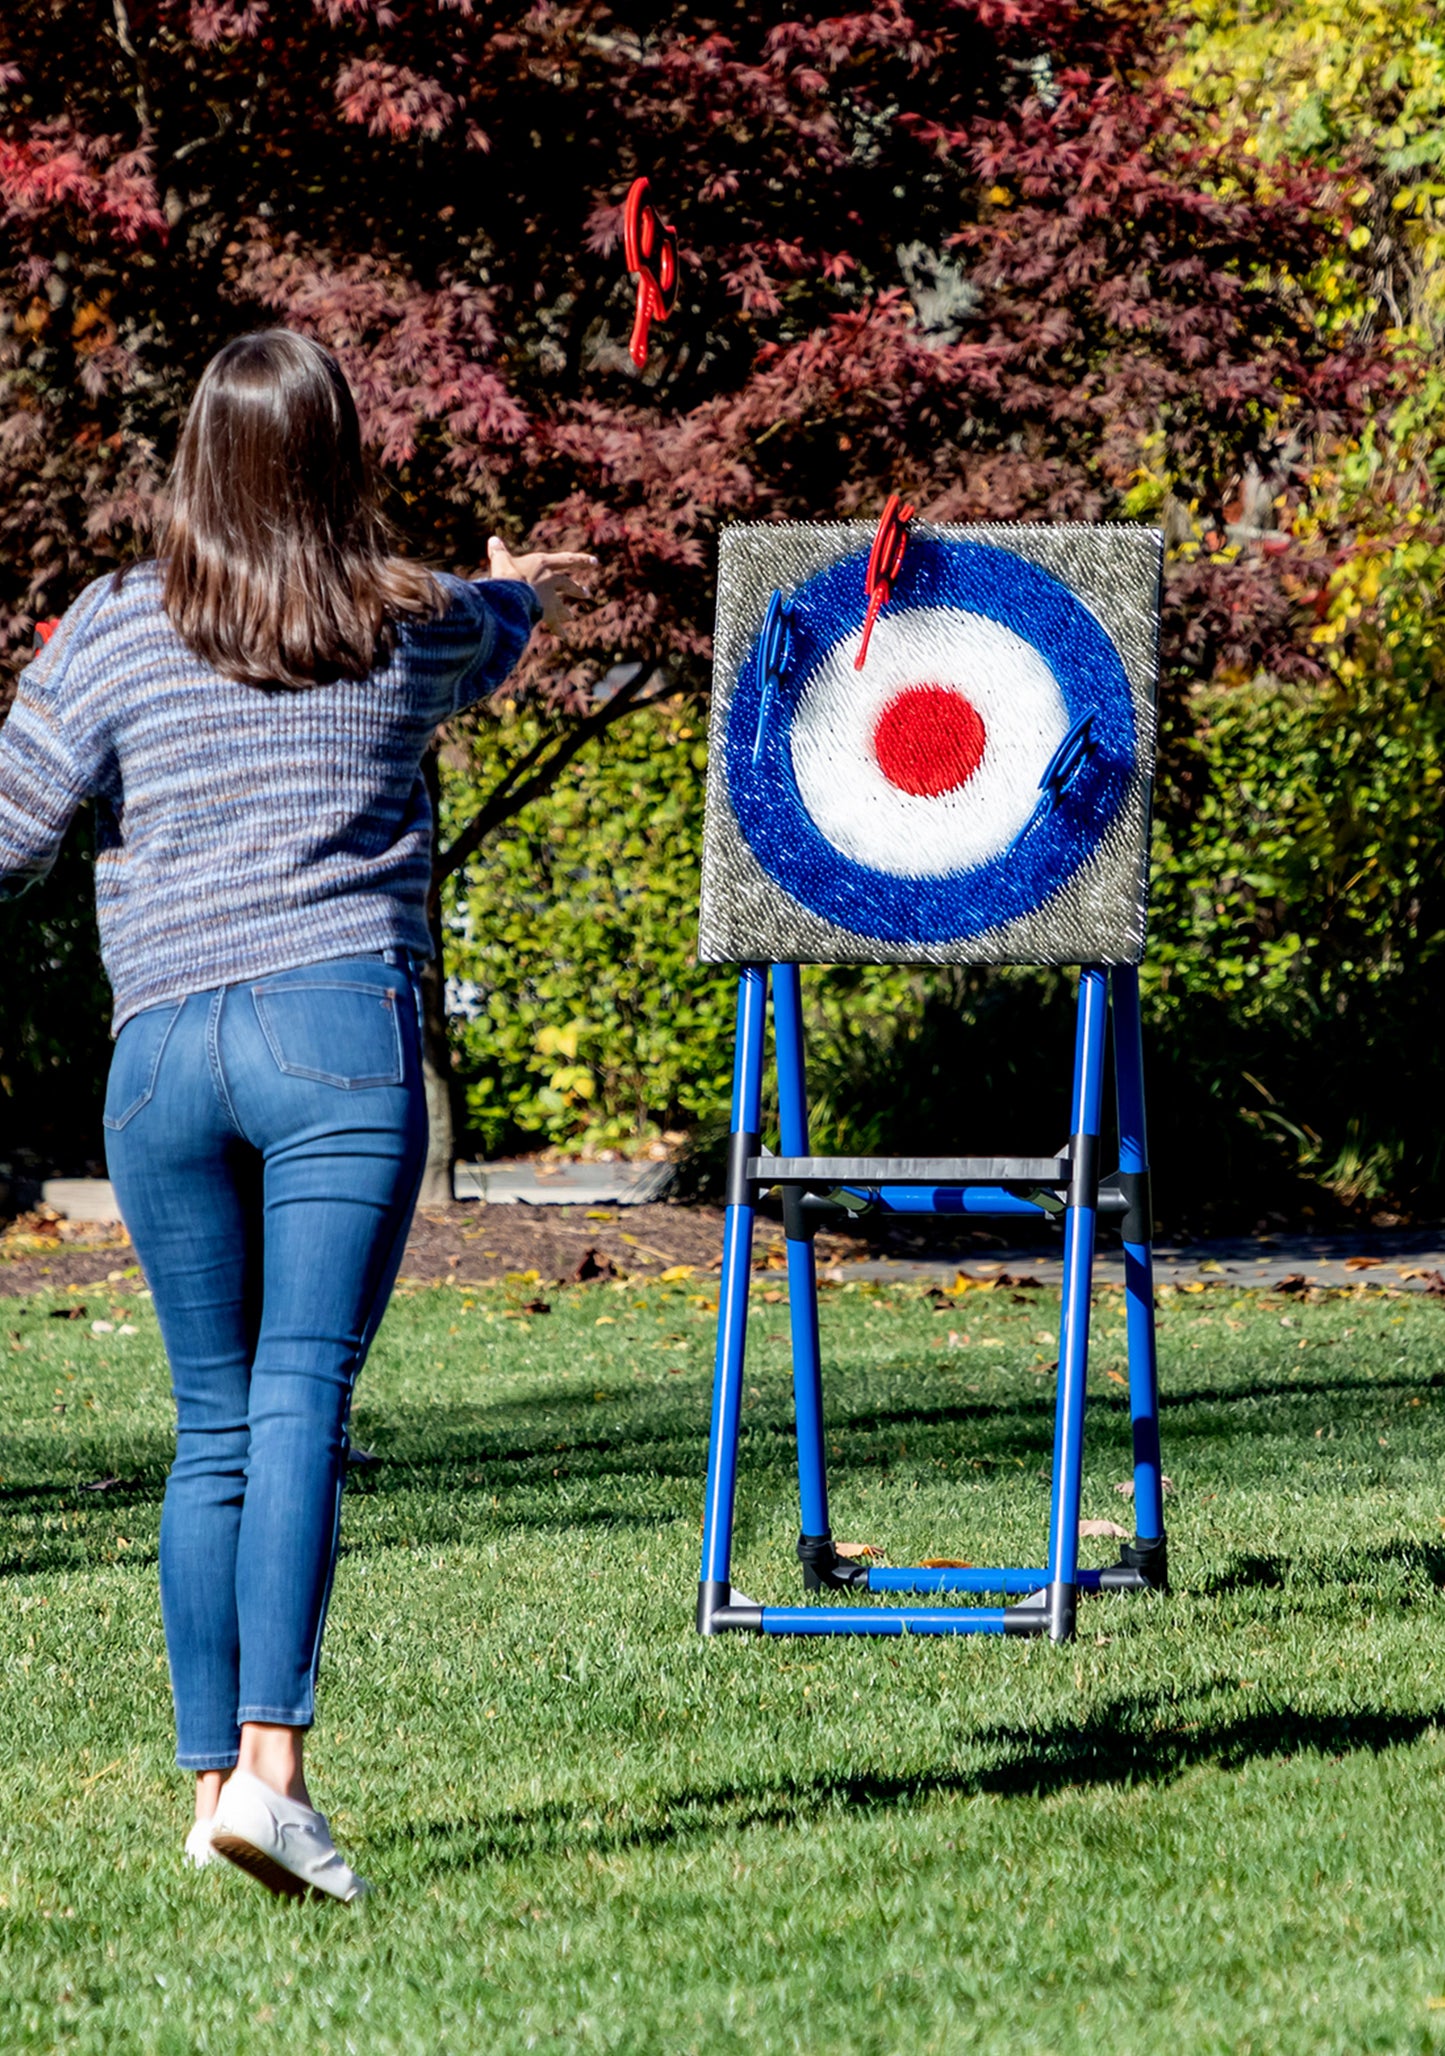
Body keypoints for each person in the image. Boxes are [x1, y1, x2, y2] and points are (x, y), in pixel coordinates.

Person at [0, 329, 595, 1902]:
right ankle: (275, 1778)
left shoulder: (112, 630)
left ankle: (210, 1797)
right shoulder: (403, 624)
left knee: (210, 1423)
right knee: (296, 1410)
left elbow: (10, 833)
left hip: (158, 1060)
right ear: (341, 460)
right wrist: (522, 578)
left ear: (192, 459)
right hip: (332, 1032)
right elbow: (505, 625)